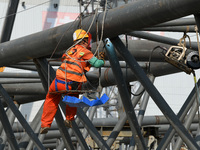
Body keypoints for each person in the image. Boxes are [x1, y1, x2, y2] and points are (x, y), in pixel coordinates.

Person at [40, 29, 105, 134]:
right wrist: (102, 60)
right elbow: (97, 64)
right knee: (73, 97)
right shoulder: (85, 51)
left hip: (57, 83)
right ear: (84, 41)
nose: (88, 43)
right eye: (87, 41)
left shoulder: (69, 51)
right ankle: (69, 119)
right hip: (70, 84)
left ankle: (45, 124)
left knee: (51, 99)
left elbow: (71, 62)